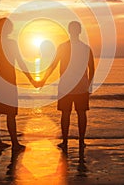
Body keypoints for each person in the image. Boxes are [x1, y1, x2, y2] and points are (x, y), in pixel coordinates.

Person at [39, 21, 95, 150]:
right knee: (80, 114)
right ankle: (80, 141)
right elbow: (92, 69)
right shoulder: (85, 48)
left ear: (70, 31)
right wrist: (90, 85)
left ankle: (66, 141)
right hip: (78, 86)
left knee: (67, 114)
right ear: (78, 31)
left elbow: (53, 65)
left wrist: (43, 79)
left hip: (68, 87)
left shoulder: (64, 47)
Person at [0, 17, 36, 152]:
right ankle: (10, 142)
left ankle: (5, 142)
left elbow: (19, 62)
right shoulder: (4, 43)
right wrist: (31, 78)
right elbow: (20, 62)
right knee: (5, 114)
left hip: (3, 81)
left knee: (1, 114)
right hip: (6, 81)